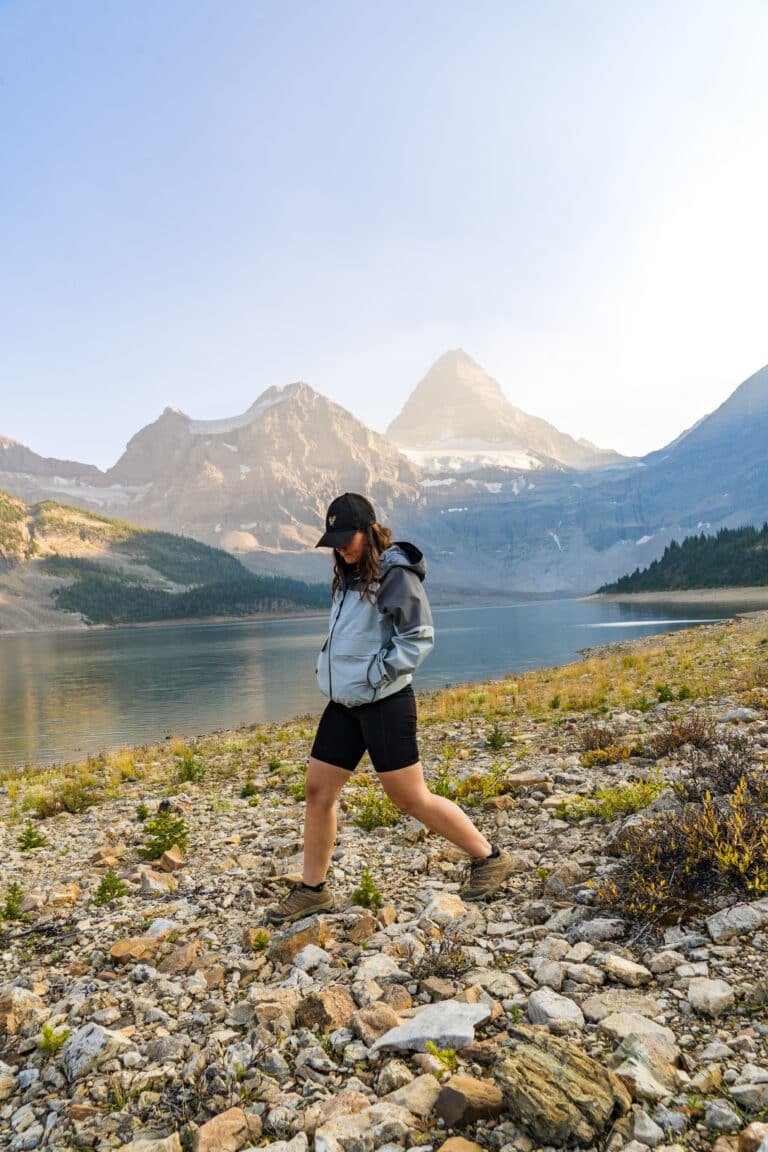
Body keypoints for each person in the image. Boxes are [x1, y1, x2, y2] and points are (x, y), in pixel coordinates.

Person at [266, 492, 512, 924]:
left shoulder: (394, 573)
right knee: (318, 792)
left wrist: (377, 674)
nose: (341, 547)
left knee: (410, 798)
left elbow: (418, 636)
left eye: (348, 538)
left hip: (384, 703)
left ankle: (489, 857)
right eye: (335, 540)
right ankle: (312, 890)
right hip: (343, 703)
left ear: (369, 530)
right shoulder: (347, 572)